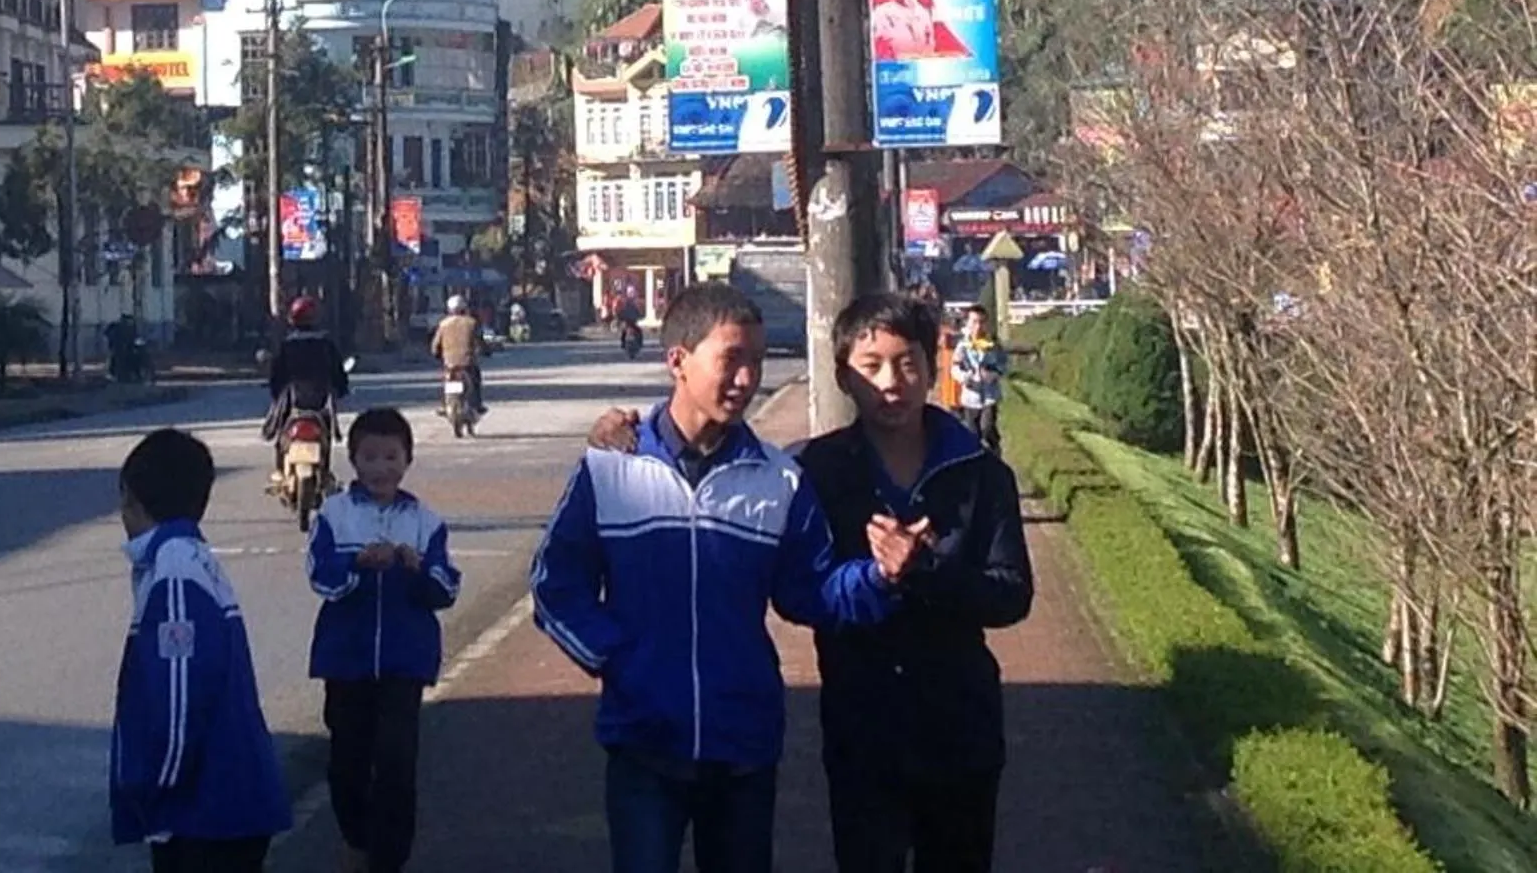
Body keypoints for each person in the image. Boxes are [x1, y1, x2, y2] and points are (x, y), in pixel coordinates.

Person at [535, 282, 875, 873]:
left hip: (742, 741)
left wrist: (880, 578)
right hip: (643, 741)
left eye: (757, 361)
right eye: (731, 360)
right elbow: (555, 583)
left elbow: (810, 589)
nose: (746, 379)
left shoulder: (779, 479)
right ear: (677, 362)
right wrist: (616, 659)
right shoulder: (613, 468)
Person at [798, 293, 1035, 872]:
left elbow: (1011, 594)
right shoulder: (818, 472)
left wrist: (925, 570)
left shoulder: (979, 472)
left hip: (960, 727)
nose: (892, 382)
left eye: (908, 363)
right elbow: (804, 592)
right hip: (861, 726)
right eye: (871, 365)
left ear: (933, 369)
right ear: (843, 378)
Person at [112, 427, 293, 872]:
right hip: (221, 805)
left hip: (206, 810)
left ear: (131, 499)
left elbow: (180, 694)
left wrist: (158, 788)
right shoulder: (189, 557)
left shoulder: (173, 571)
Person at [305, 407, 462, 873]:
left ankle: (389, 858)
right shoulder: (333, 515)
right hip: (346, 658)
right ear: (353, 460)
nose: (381, 468)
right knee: (346, 761)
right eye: (370, 457)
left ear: (407, 461)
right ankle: (356, 837)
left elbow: (445, 588)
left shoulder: (425, 521)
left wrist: (416, 570)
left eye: (391, 456)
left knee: (397, 761)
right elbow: (320, 577)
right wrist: (357, 567)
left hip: (404, 660)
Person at [266, 295, 351, 479]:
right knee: (326, 435)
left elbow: (276, 376)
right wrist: (342, 389)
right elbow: (338, 373)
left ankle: (280, 470)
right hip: (320, 401)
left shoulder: (287, 345)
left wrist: (276, 394)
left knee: (281, 432)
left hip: (292, 400)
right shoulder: (326, 344)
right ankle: (325, 471)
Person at [950, 306, 1009, 454]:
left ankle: (995, 451)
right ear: (968, 323)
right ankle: (975, 461)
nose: (978, 326)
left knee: (987, 427)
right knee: (972, 433)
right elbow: (955, 368)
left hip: (989, 395)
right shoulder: (963, 346)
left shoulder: (994, 345)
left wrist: (994, 374)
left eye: (981, 322)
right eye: (974, 322)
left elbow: (1004, 364)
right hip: (971, 395)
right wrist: (964, 377)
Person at [430, 292, 484, 417]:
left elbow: (435, 346)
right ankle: (477, 404)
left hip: (450, 363)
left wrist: (437, 355)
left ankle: (445, 405)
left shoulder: (443, 324)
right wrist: (484, 350)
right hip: (468, 362)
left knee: (446, 381)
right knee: (476, 380)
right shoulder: (471, 323)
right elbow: (479, 341)